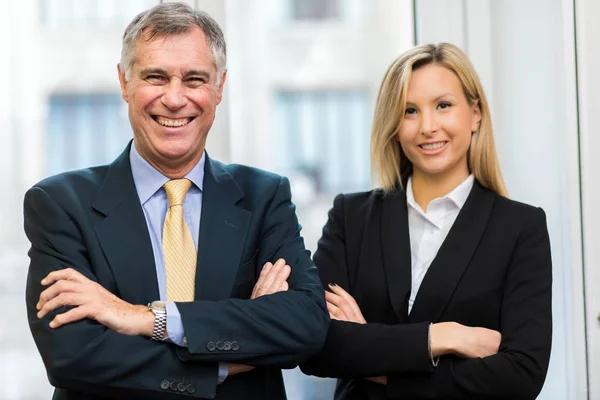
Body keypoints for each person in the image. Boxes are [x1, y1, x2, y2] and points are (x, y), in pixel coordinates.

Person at [24, 3, 328, 399]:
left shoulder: (265, 196)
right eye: (155, 76)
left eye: (195, 79)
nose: (174, 98)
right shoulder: (60, 203)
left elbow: (305, 324)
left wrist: (144, 319)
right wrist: (233, 355)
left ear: (219, 87)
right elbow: (74, 354)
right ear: (124, 82)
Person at [300, 43, 552, 399]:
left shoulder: (520, 228)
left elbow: (521, 375)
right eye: (410, 111)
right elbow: (313, 345)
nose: (428, 127)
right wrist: (444, 337)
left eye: (444, 106)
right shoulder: (352, 218)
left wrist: (372, 355)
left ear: (475, 113)